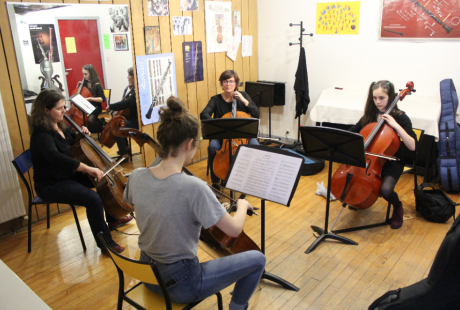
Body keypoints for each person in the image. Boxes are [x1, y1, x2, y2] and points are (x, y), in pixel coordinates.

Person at [124, 96, 266, 310]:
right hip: (182, 284)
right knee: (257, 259)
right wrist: (243, 207)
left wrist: (214, 209)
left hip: (148, 275)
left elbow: (159, 204)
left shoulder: (136, 176)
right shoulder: (194, 187)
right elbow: (235, 230)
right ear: (189, 143)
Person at [29, 89, 133, 254]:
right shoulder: (41, 135)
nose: (65, 111)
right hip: (51, 183)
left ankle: (112, 219)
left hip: (67, 175)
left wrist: (80, 132)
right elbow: (56, 158)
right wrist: (87, 168)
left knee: (103, 180)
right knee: (92, 199)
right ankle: (106, 244)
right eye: (60, 108)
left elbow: (68, 142)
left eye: (64, 106)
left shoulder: (58, 126)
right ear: (46, 110)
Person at [348, 80, 417, 229]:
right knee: (357, 178)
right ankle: (359, 199)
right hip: (370, 160)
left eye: (382, 98)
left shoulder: (400, 117)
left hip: (392, 161)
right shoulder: (370, 115)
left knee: (386, 190)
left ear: (390, 97)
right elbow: (354, 131)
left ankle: (397, 207)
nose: (377, 102)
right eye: (375, 98)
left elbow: (412, 145)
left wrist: (396, 126)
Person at [200, 70, 260, 190]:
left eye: (231, 81)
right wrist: (217, 123)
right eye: (225, 81)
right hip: (222, 136)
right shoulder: (216, 100)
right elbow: (204, 114)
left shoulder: (243, 96)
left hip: (243, 135)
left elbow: (256, 113)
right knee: (212, 147)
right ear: (221, 84)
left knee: (256, 146)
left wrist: (244, 101)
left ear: (236, 83)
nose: (228, 84)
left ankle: (250, 178)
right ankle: (216, 181)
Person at [106, 67, 139, 160]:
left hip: (137, 122)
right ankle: (125, 147)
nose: (128, 77)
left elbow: (125, 103)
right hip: (132, 119)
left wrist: (111, 106)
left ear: (134, 77)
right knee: (120, 121)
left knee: (116, 125)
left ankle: (124, 154)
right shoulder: (134, 89)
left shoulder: (138, 91)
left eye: (129, 75)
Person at [77, 64, 106, 134]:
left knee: (91, 119)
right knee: (85, 118)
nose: (84, 76)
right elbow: (82, 94)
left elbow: (102, 99)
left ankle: (104, 128)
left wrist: (90, 98)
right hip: (87, 107)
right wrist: (79, 87)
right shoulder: (85, 83)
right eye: (83, 74)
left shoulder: (97, 84)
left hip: (96, 107)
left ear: (91, 74)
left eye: (86, 74)